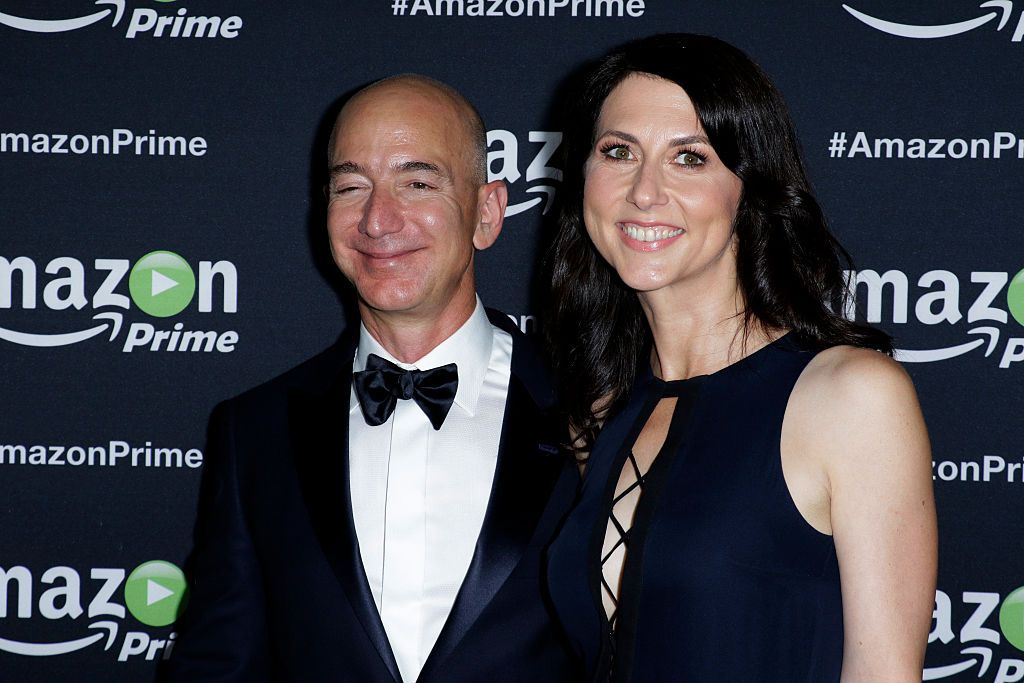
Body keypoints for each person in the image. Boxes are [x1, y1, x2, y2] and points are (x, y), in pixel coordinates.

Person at [543, 34, 937, 682]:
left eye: (689, 158)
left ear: (748, 188)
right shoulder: (602, 408)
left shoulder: (849, 396)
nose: (645, 191)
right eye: (618, 152)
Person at [164, 74, 579, 682]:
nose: (378, 220)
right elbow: (218, 667)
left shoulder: (596, 408)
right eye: (351, 186)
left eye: (418, 182)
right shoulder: (255, 431)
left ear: (487, 213)